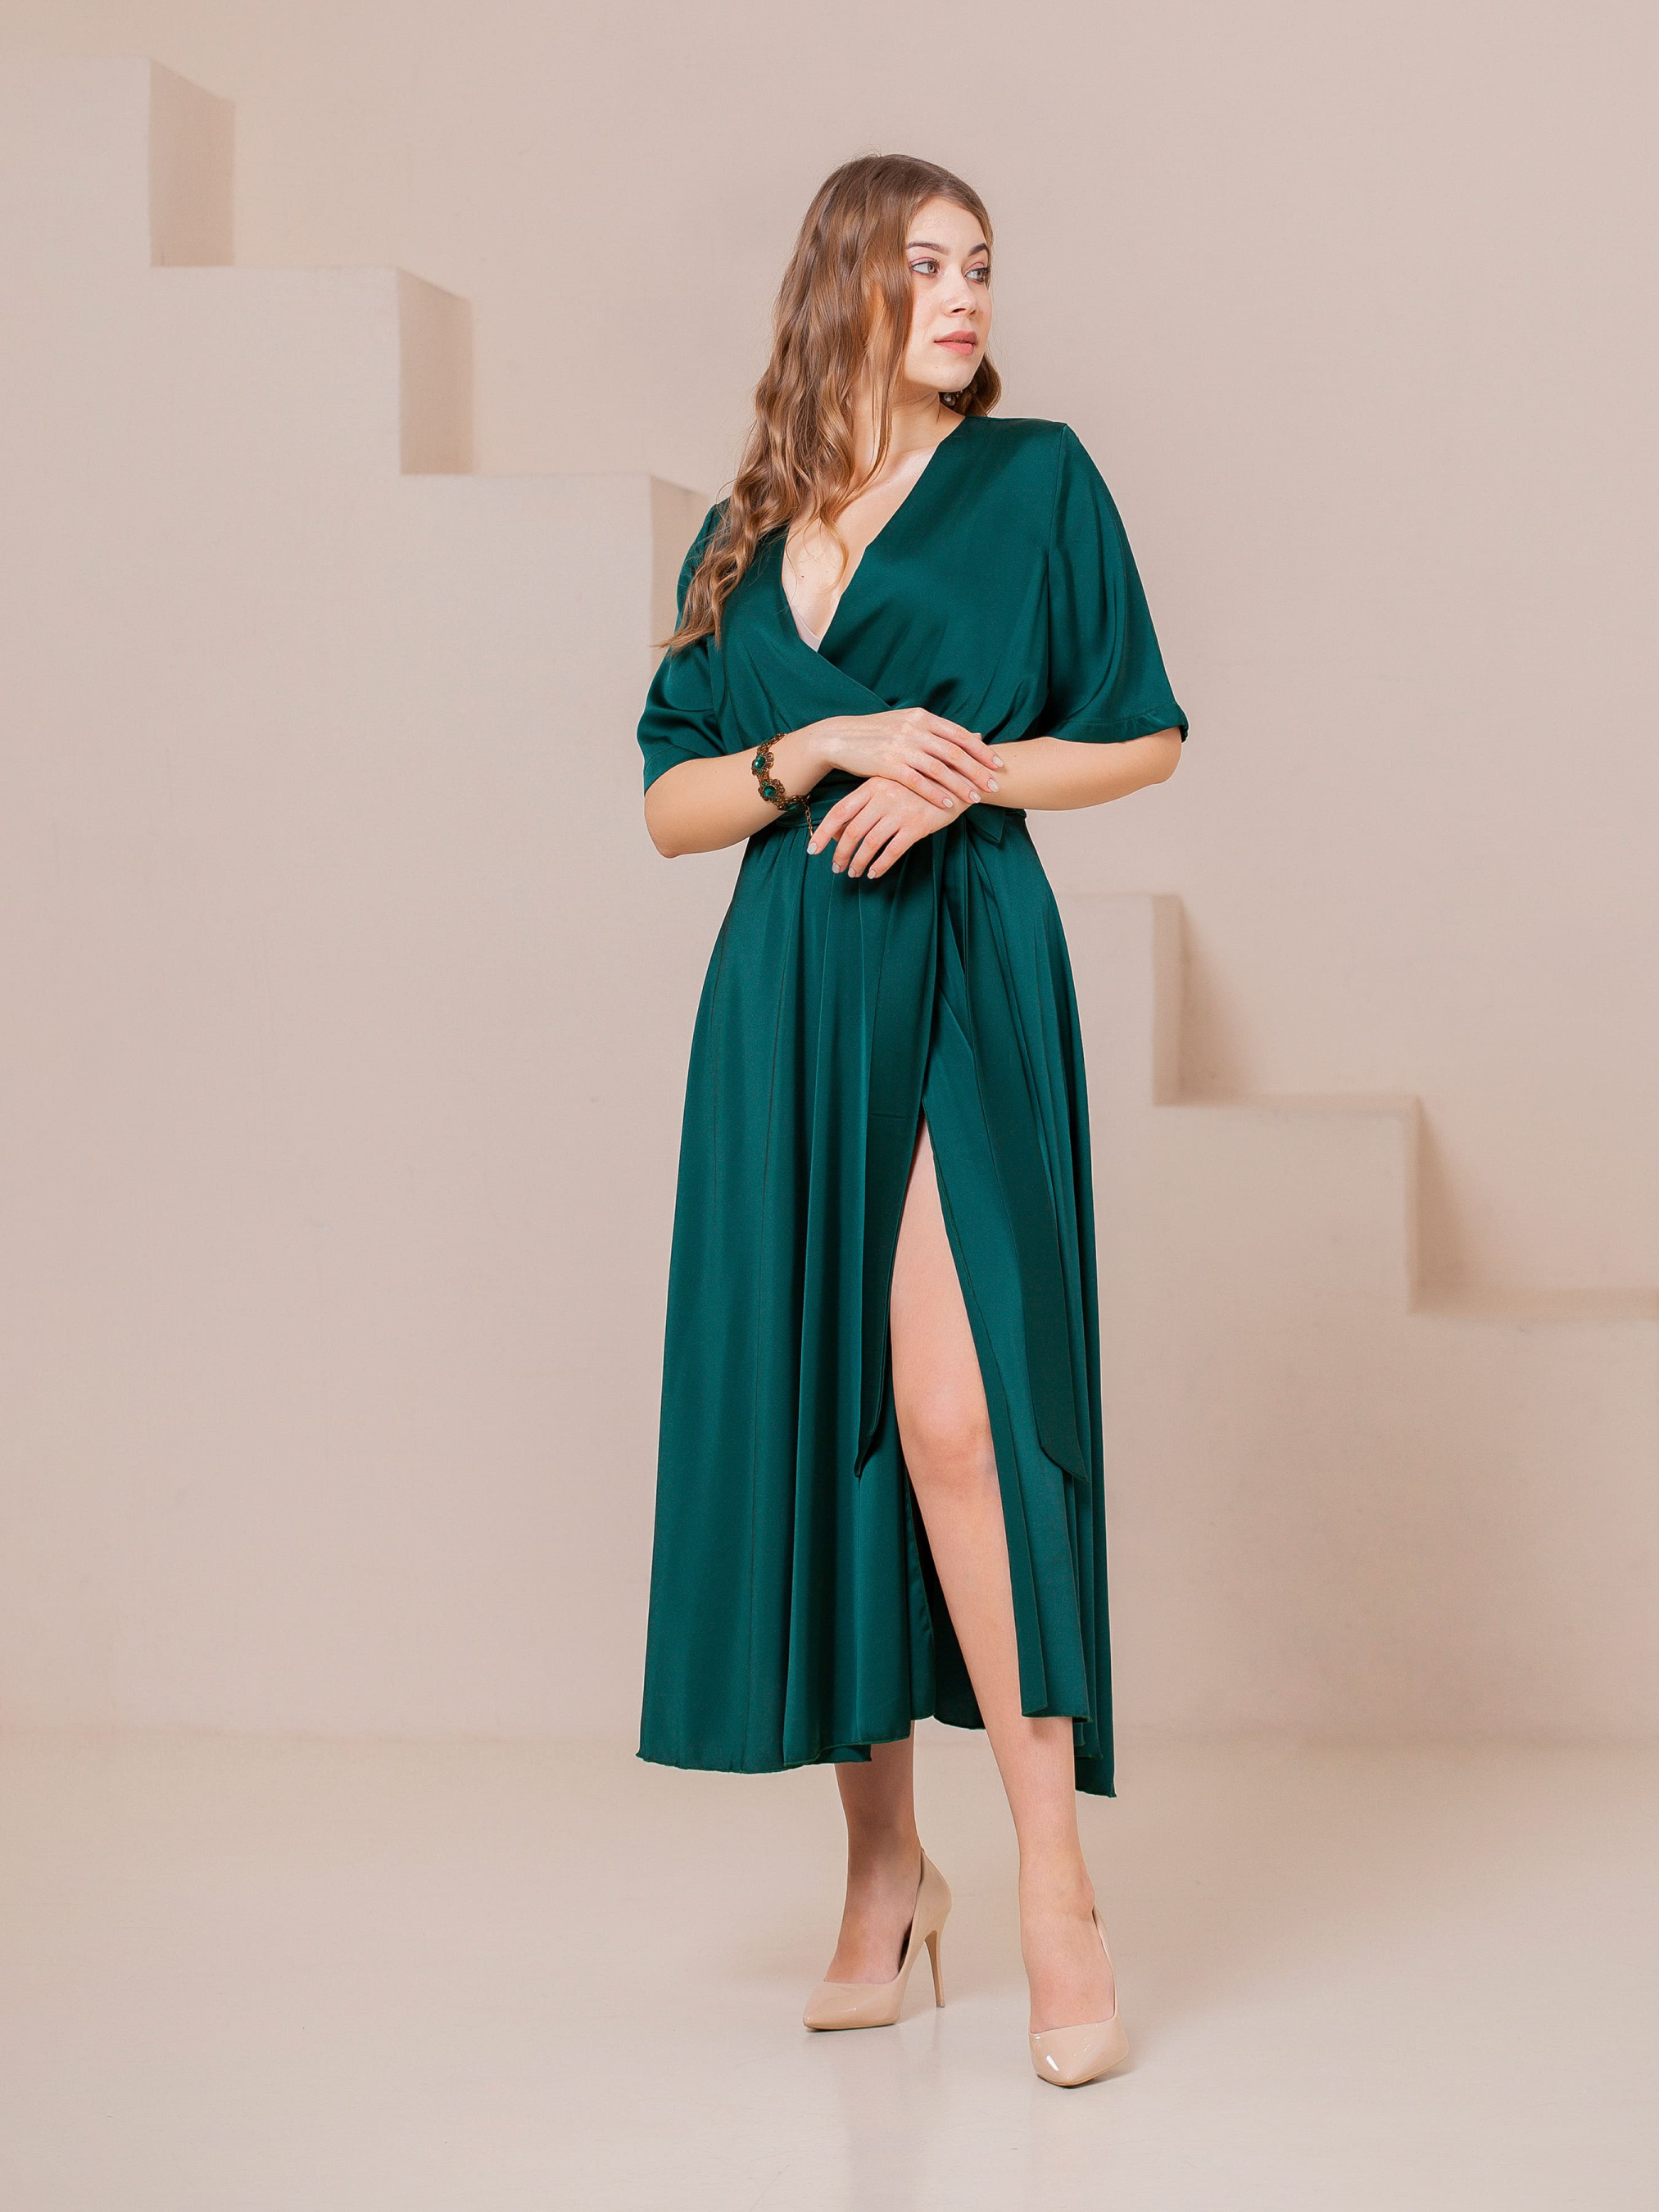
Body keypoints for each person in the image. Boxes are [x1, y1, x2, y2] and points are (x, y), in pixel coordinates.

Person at [634, 153, 1187, 2088]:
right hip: (785, 991)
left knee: (958, 1417)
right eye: (923, 264)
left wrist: (957, 775)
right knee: (823, 1423)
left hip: (957, 957)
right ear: (842, 285)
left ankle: (1053, 1886)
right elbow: (671, 803)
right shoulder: (739, 530)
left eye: (978, 266)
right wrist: (817, 742)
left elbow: (1143, 729)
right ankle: (883, 1876)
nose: (961, 296)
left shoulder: (1035, 480)